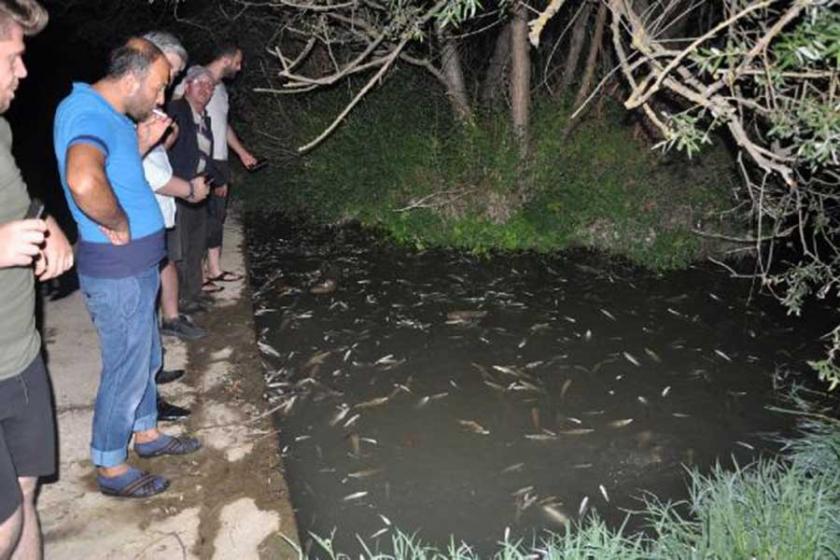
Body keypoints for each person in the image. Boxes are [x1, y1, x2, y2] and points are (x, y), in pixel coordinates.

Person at [54, 37, 200, 499]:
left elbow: (114, 171)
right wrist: (116, 219)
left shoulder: (113, 118)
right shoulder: (87, 112)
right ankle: (111, 464)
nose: (161, 98)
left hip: (136, 266)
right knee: (126, 368)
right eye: (158, 87)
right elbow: (82, 177)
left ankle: (147, 433)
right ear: (133, 77)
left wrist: (140, 145)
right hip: (116, 269)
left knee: (147, 356)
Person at [0, 1, 74, 556]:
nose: (23, 73)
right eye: (12, 59)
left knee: (26, 493)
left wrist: (45, 221)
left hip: (20, 355)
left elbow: (19, 198)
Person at [140, 31, 208, 342]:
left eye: (176, 75)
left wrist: (164, 142)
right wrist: (190, 190)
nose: (169, 83)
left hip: (160, 212)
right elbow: (141, 169)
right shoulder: (131, 108)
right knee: (143, 288)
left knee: (166, 262)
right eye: (171, 71)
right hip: (144, 215)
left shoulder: (155, 106)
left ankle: (172, 318)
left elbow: (152, 156)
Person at [167, 65, 222, 313]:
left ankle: (194, 293)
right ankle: (180, 301)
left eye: (209, 86)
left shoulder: (204, 118)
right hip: (179, 188)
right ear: (187, 85)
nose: (205, 89)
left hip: (199, 189)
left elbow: (205, 155)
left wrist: (214, 179)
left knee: (196, 244)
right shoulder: (175, 110)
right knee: (179, 247)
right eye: (199, 83)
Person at [202, 43, 256, 285]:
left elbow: (222, 126)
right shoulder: (196, 80)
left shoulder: (221, 89)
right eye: (238, 61)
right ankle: (197, 275)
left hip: (221, 159)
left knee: (217, 215)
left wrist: (242, 153)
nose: (240, 67)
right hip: (204, 161)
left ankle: (213, 269)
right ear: (226, 59)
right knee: (200, 218)